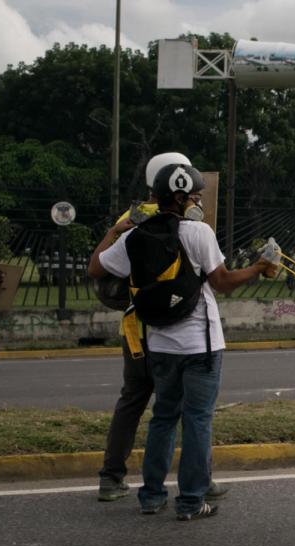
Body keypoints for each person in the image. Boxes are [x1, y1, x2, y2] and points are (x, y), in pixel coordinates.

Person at [89, 160, 279, 521]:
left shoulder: (133, 236)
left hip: (158, 346)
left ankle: (151, 496)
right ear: (179, 198)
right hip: (200, 348)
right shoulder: (199, 232)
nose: (198, 202)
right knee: (196, 421)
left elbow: (96, 269)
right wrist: (258, 268)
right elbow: (221, 282)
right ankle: (191, 501)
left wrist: (115, 232)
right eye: (194, 195)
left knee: (162, 418)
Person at [89, 152, 228, 503]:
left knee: (136, 403)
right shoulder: (188, 223)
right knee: (193, 411)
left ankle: (113, 477)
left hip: (138, 330)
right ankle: (200, 483)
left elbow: (100, 269)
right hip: (179, 332)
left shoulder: (131, 219)